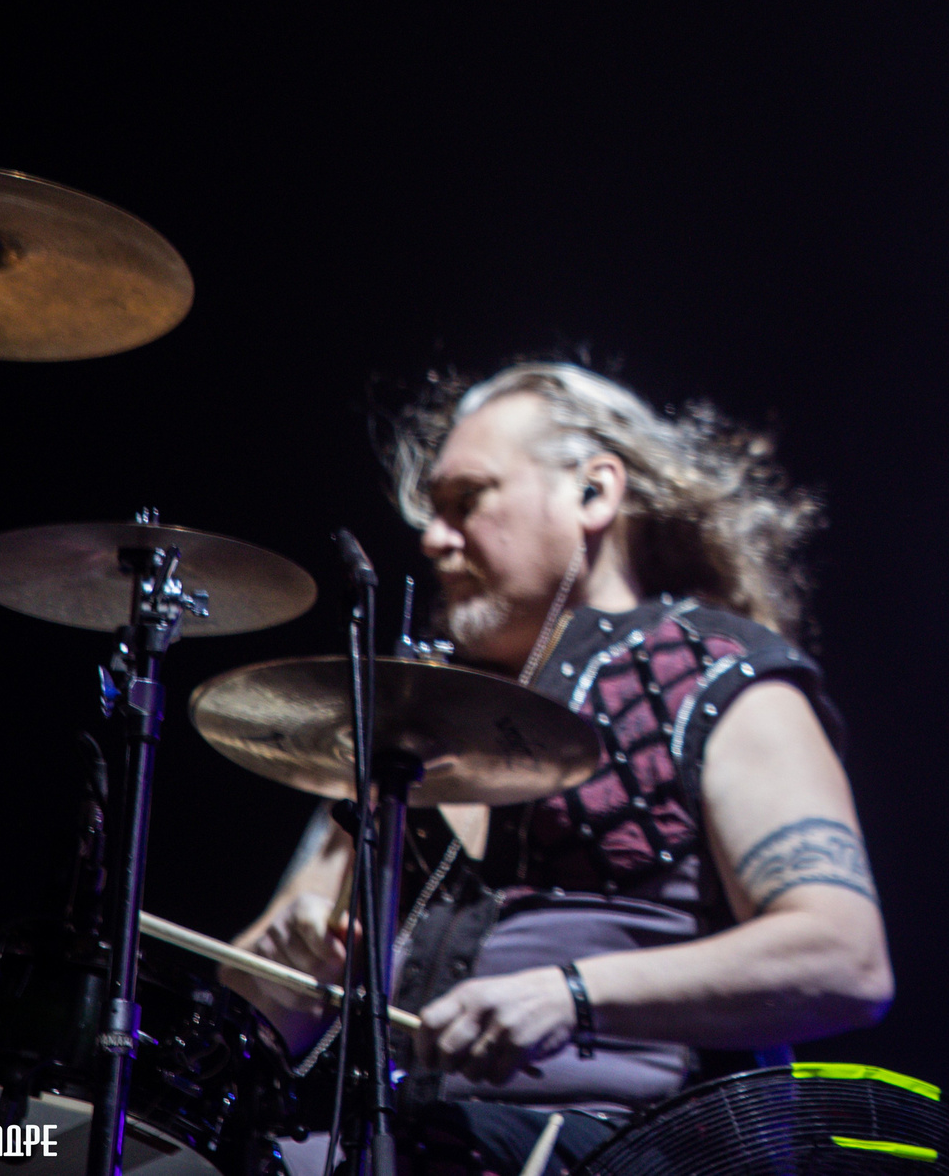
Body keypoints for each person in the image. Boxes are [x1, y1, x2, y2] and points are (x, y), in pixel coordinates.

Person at [225, 362, 892, 1172]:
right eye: (432, 513)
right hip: (402, 1143)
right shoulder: (410, 722)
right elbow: (254, 1011)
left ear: (594, 494)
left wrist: (570, 993)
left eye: (466, 500)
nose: (434, 538)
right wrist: (290, 972)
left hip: (621, 1148)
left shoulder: (714, 676)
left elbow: (844, 956)